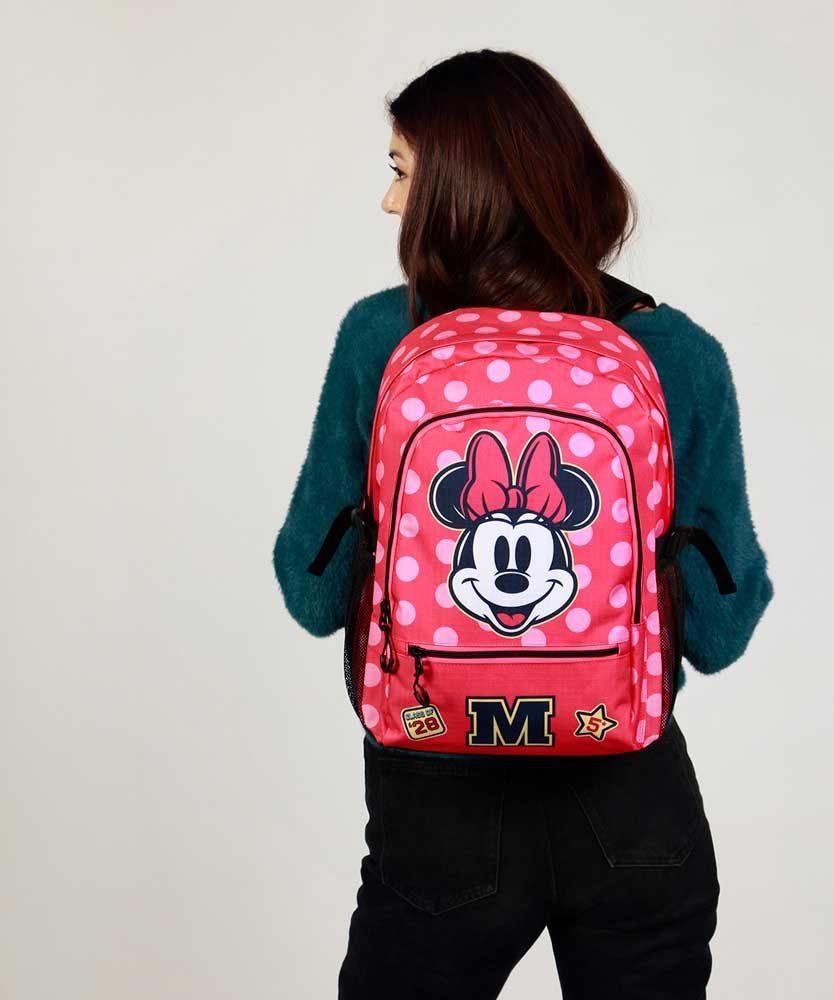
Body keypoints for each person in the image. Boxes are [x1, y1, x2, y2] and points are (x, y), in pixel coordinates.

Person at [272, 48, 774, 1000]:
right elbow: (718, 630)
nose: (389, 202)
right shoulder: (675, 350)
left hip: (437, 806)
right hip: (633, 808)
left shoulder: (383, 337)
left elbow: (312, 589)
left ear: (460, 191)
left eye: (402, 173)